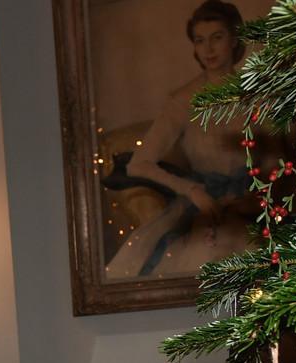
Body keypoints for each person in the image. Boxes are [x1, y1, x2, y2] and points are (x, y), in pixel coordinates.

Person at [105, 1, 259, 279]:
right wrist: (192, 191)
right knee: (208, 257)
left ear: (235, 39)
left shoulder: (255, 95)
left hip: (253, 204)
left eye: (217, 37)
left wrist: (254, 196)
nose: (208, 49)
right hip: (206, 207)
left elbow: (279, 157)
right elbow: (139, 164)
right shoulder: (183, 100)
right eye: (200, 40)